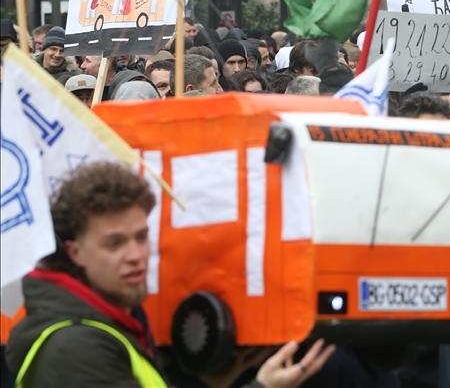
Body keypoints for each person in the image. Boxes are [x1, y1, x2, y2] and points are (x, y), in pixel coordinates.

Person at [5, 162, 334, 387]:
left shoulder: (107, 320)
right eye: (114, 243)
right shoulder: (76, 347)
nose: (136, 256)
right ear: (75, 252)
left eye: (141, 237)